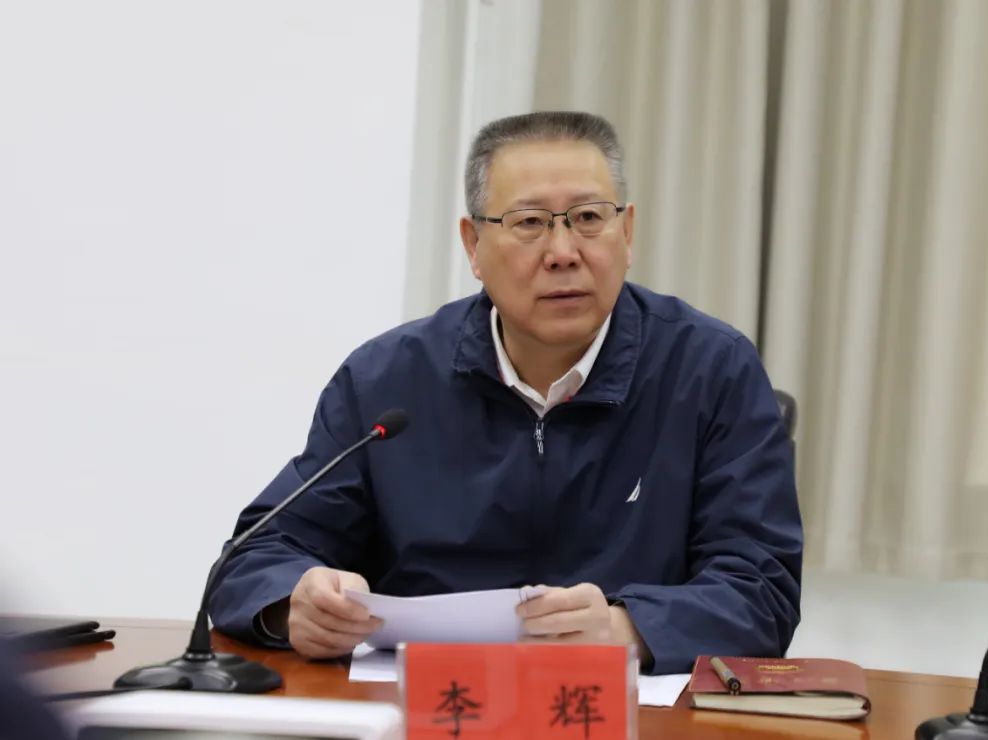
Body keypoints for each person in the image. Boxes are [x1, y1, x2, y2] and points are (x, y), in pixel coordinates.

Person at [208, 111, 802, 674]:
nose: (563, 253)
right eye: (530, 223)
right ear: (473, 245)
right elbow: (259, 553)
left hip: (628, 714)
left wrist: (628, 629)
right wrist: (295, 602)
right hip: (428, 709)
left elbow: (761, 589)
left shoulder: (710, 370)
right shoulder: (387, 380)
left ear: (627, 232)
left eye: (588, 218)